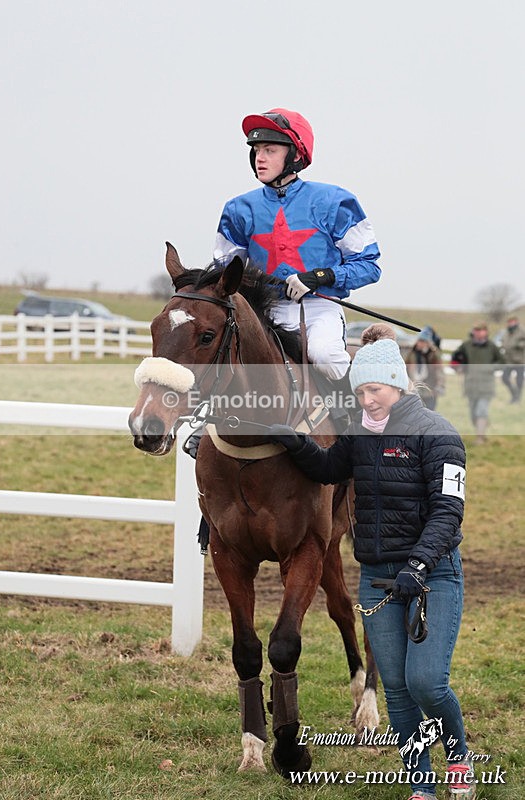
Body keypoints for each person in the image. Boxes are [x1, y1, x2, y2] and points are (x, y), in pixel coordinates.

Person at [268, 336, 475, 800]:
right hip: (378, 578)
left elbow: (448, 512)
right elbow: (325, 468)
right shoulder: (359, 435)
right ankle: (420, 783)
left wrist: (420, 564)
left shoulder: (438, 434)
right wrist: (293, 440)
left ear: (398, 385)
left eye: (375, 390)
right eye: (360, 393)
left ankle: (458, 757)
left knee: (426, 682)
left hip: (434, 573)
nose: (366, 400)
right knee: (398, 688)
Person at [213, 107, 381, 395]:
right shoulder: (238, 209)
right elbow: (225, 271)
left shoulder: (335, 201)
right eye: (255, 150)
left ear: (294, 155)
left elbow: (369, 266)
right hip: (262, 312)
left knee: (326, 357)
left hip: (318, 309)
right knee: (215, 357)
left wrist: (320, 276)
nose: (259, 157)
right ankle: (200, 433)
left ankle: (358, 425)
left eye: (270, 149)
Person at [451, 323, 505, 444]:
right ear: (473, 332)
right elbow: (455, 359)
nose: (479, 333)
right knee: (473, 413)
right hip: (470, 385)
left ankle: (480, 437)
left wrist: (490, 368)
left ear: (486, 332)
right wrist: (458, 367)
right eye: (476, 330)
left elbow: (502, 362)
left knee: (481, 410)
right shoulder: (466, 345)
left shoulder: (492, 346)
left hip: (486, 385)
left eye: (481, 330)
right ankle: (482, 426)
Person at [405, 326, 445, 410]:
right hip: (414, 390)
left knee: (429, 413)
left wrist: (440, 386)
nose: (420, 343)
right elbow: (405, 369)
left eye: (423, 341)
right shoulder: (411, 354)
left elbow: (439, 371)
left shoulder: (433, 355)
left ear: (428, 342)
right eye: (419, 340)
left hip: (430, 391)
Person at [500, 315, 525, 403]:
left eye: (512, 321)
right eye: (509, 322)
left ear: (516, 321)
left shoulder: (522, 331)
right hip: (508, 360)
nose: (510, 323)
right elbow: (502, 340)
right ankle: (514, 394)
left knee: (519, 380)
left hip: (519, 360)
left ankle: (517, 398)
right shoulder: (506, 331)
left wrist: (519, 345)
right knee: (504, 378)